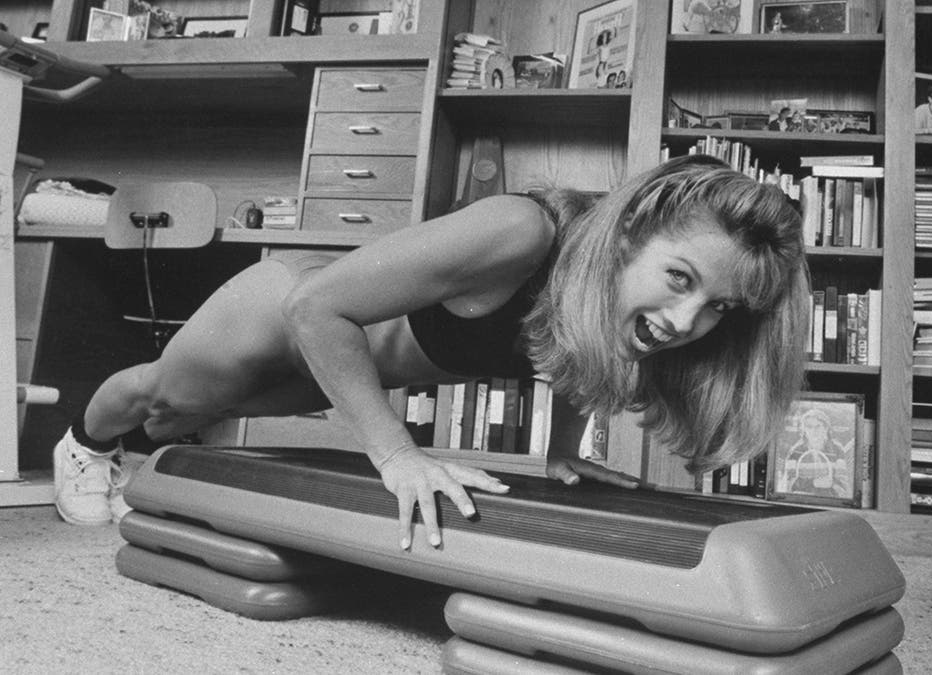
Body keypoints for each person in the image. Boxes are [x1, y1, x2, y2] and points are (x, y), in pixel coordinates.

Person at [52, 155, 812, 551]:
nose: (687, 319)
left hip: (347, 360)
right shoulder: (522, 230)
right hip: (290, 310)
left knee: (206, 409)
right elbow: (318, 307)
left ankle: (128, 453)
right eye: (680, 279)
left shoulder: (613, 303)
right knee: (163, 398)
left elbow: (569, 354)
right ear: (628, 236)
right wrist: (396, 455)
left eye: (719, 306)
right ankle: (82, 446)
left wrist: (562, 452)